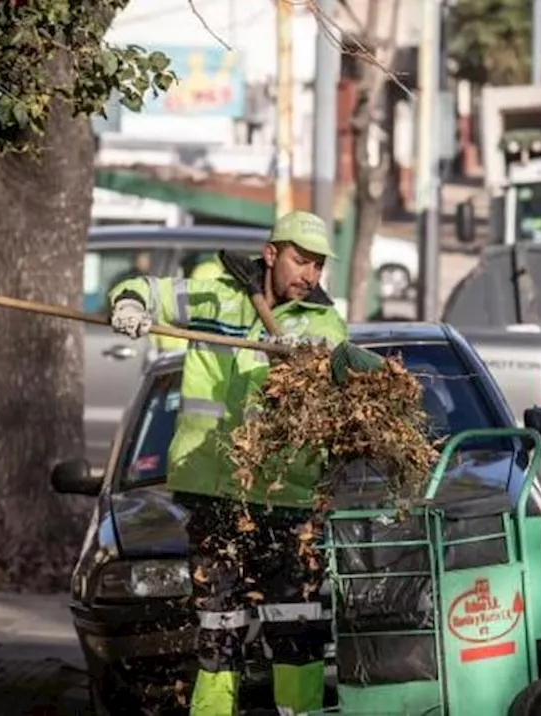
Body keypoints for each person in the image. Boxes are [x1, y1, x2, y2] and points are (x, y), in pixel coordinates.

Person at [107, 210, 384, 716]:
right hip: (215, 489)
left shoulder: (323, 321)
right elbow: (147, 288)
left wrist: (304, 362)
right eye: (302, 261)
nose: (311, 275)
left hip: (289, 498)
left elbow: (338, 381)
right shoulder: (215, 294)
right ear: (272, 254)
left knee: (296, 624)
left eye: (319, 266)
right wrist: (128, 303)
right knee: (218, 623)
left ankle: (296, 714)